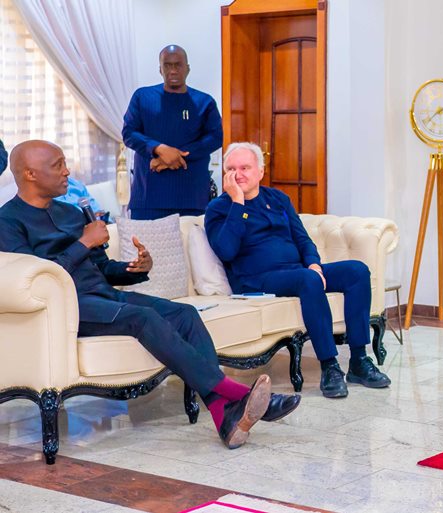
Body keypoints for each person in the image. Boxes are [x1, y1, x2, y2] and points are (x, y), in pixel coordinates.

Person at [0, 140, 301, 449]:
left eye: (65, 163)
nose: (67, 171)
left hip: (103, 296)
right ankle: (238, 394)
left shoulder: (71, 213)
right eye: (57, 165)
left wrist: (136, 269)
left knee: (184, 314)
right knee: (142, 317)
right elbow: (34, 280)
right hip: (67, 309)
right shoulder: (7, 221)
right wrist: (84, 243)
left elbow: (102, 268)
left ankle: (223, 414)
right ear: (30, 173)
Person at [205, 142, 391, 399]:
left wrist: (314, 262)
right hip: (255, 281)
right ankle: (330, 366)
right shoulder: (219, 208)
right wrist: (238, 203)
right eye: (231, 169)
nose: (238, 174)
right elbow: (226, 250)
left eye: (245, 167)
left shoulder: (279, 199)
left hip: (295, 272)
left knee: (357, 271)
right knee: (308, 280)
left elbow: (302, 239)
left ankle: (359, 360)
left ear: (260, 170)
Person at [122, 45, 223, 220]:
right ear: (160, 69)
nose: (173, 70)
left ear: (188, 68)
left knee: (192, 247)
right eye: (167, 65)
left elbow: (215, 138)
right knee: (146, 248)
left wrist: (174, 156)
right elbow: (129, 133)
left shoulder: (204, 102)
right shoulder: (142, 97)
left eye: (178, 65)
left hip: (192, 197)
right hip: (149, 197)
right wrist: (159, 149)